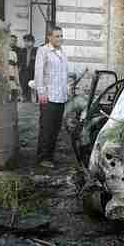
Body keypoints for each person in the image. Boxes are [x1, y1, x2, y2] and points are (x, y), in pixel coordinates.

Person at [35, 26, 68, 168]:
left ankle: (50, 156)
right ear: (49, 37)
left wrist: (67, 90)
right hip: (48, 96)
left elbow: (63, 75)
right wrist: (41, 92)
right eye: (56, 36)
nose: (59, 39)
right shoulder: (43, 51)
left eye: (61, 36)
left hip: (60, 96)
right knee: (46, 127)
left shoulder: (62, 53)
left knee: (55, 128)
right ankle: (42, 158)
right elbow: (38, 72)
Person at [18, 34, 37, 102]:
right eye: (25, 41)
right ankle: (25, 99)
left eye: (28, 41)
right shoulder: (22, 51)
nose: (26, 43)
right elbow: (19, 62)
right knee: (24, 87)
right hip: (24, 72)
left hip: (33, 73)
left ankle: (33, 101)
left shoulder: (37, 50)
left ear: (33, 42)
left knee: (32, 88)